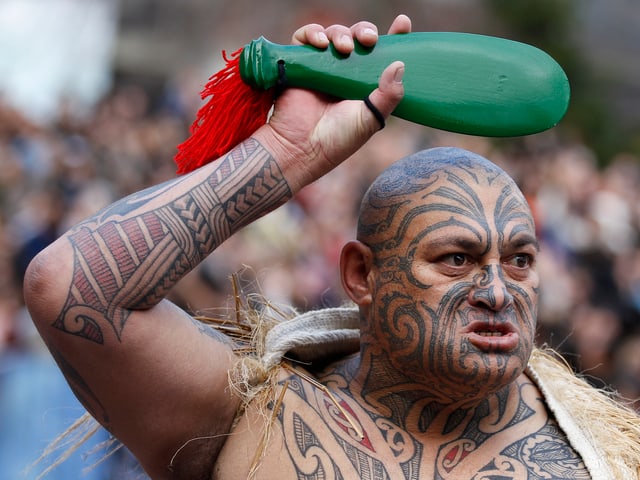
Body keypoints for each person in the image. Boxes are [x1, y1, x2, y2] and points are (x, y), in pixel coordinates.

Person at [23, 14, 640, 480]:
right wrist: (287, 152)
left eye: (521, 261)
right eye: (457, 259)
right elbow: (73, 290)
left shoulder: (603, 452)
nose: (499, 292)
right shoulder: (251, 416)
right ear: (361, 274)